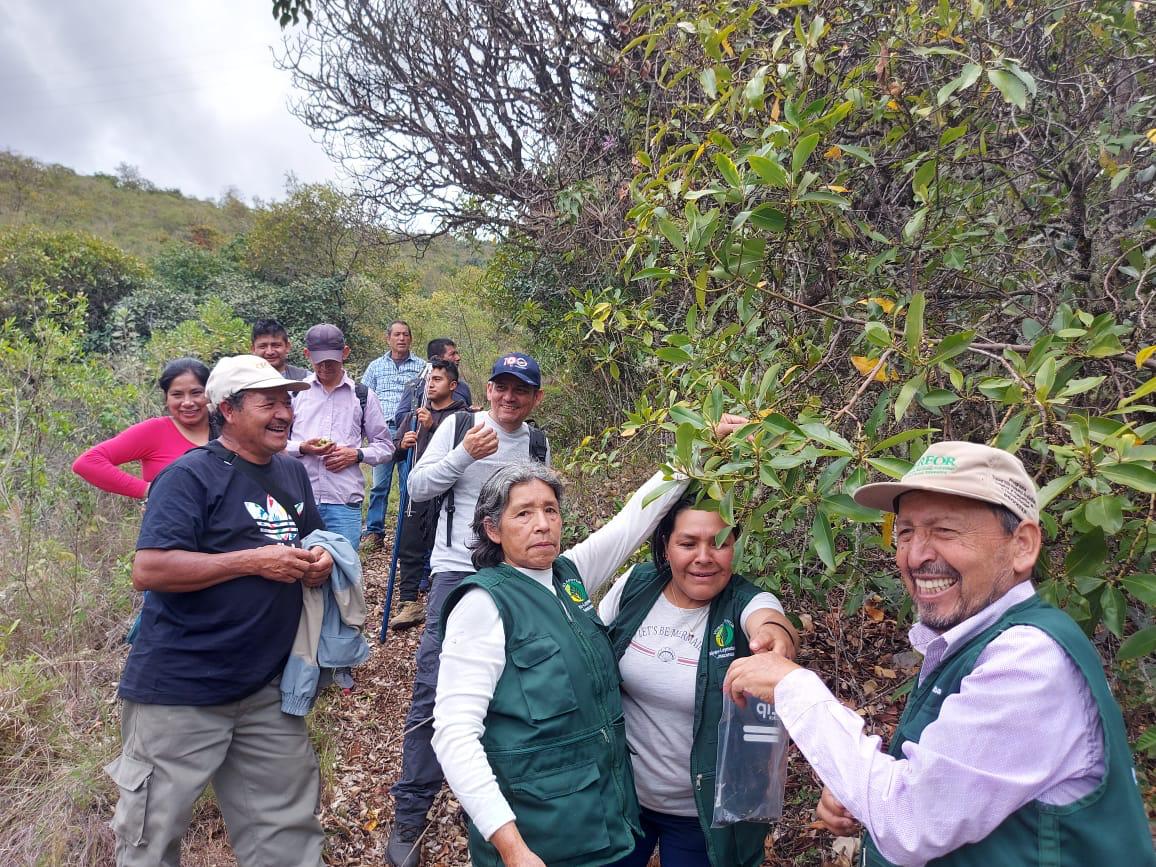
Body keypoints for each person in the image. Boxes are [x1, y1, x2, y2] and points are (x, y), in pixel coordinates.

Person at [722, 442, 1156, 867]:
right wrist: (863, 795)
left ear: (1023, 545)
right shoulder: (973, 639)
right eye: (906, 532)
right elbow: (941, 790)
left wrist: (794, 687)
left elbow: (908, 824)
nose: (915, 555)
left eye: (945, 531)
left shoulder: (1027, 661)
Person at [104, 355, 332, 867]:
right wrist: (252, 561)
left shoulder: (292, 473)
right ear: (227, 409)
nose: (284, 413)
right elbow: (151, 569)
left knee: (288, 831)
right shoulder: (189, 477)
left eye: (288, 401)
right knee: (150, 836)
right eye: (268, 402)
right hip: (180, 689)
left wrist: (318, 561)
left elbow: (313, 539)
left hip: (266, 689)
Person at [384, 352, 549, 867]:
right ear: (488, 390)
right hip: (456, 572)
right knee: (434, 690)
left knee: (509, 689)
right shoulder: (459, 425)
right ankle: (410, 816)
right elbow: (415, 488)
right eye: (500, 387)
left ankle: (483, 802)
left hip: (517, 576)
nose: (508, 397)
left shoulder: (537, 442)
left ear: (534, 398)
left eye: (519, 389)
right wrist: (463, 456)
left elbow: (541, 503)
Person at [600, 498, 799, 867]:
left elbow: (769, 620)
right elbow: (591, 654)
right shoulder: (635, 586)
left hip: (700, 813)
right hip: (621, 799)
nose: (704, 557)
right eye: (688, 543)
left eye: (719, 543)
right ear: (666, 547)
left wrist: (774, 637)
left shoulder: (744, 601)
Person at [287, 323, 394, 549]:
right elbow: (273, 445)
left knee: (344, 573)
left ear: (345, 352)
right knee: (298, 575)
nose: (325, 365)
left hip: (343, 502)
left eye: (332, 359)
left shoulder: (363, 396)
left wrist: (356, 454)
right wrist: (302, 448)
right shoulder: (295, 393)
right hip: (299, 501)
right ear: (307, 355)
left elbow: (385, 447)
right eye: (319, 359)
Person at [388, 358, 467, 630]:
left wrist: (433, 427)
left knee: (442, 546)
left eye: (438, 379)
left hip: (449, 494)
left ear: (453, 385)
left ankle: (443, 600)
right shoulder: (414, 416)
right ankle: (409, 602)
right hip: (418, 490)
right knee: (409, 542)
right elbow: (393, 450)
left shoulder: (462, 418)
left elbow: (458, 454)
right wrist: (402, 443)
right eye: (429, 379)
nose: (431, 384)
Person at [72, 357, 212, 499]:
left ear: (210, 393)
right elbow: (87, 463)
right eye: (177, 395)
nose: (187, 402)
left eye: (196, 393)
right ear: (166, 398)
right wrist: (148, 490)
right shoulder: (155, 431)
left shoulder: (229, 429)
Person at [361, 320, 425, 550]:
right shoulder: (376, 366)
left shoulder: (421, 366)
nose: (401, 339)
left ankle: (407, 532)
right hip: (383, 431)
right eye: (397, 334)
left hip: (411, 430)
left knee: (410, 482)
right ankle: (374, 531)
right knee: (379, 484)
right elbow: (364, 396)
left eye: (406, 334)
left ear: (411, 338)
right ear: (388, 338)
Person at [392, 338, 474, 424]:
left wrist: (472, 413)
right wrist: (421, 417)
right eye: (452, 354)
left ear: (452, 385)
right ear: (437, 358)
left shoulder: (463, 387)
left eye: (437, 380)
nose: (458, 358)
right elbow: (400, 418)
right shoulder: (415, 387)